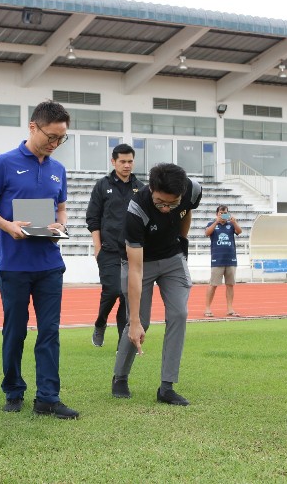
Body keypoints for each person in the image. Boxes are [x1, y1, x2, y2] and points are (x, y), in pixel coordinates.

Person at [0, 100, 79, 419]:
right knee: (15, 331)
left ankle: (48, 397)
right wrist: (8, 225)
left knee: (49, 331)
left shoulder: (58, 169)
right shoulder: (4, 163)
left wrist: (60, 225)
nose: (54, 144)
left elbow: (61, 207)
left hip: (50, 264)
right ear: (33, 127)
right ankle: (13, 390)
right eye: (51, 137)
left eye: (60, 139)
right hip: (14, 266)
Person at [111, 163, 202, 406]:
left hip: (172, 259)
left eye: (172, 203)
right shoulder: (136, 209)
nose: (166, 208)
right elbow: (136, 269)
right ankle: (120, 377)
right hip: (141, 262)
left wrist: (182, 242)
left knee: (179, 314)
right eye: (161, 202)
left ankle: (167, 387)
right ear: (151, 188)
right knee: (140, 321)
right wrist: (136, 322)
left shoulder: (192, 190)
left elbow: (187, 210)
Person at [85, 143, 145, 347]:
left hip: (133, 251)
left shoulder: (141, 187)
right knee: (113, 291)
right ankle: (100, 323)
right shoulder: (102, 185)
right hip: (108, 250)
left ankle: (123, 342)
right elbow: (92, 218)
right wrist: (97, 247)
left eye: (130, 161)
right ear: (113, 162)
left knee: (127, 297)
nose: (127, 165)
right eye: (123, 161)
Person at [203, 205, 242, 317]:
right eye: (221, 213)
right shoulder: (211, 224)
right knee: (213, 284)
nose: (223, 215)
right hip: (217, 260)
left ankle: (230, 309)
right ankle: (207, 308)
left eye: (225, 213)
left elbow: (239, 231)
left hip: (231, 259)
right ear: (217, 214)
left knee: (230, 284)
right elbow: (207, 233)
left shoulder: (231, 225)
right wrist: (216, 222)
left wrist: (234, 222)